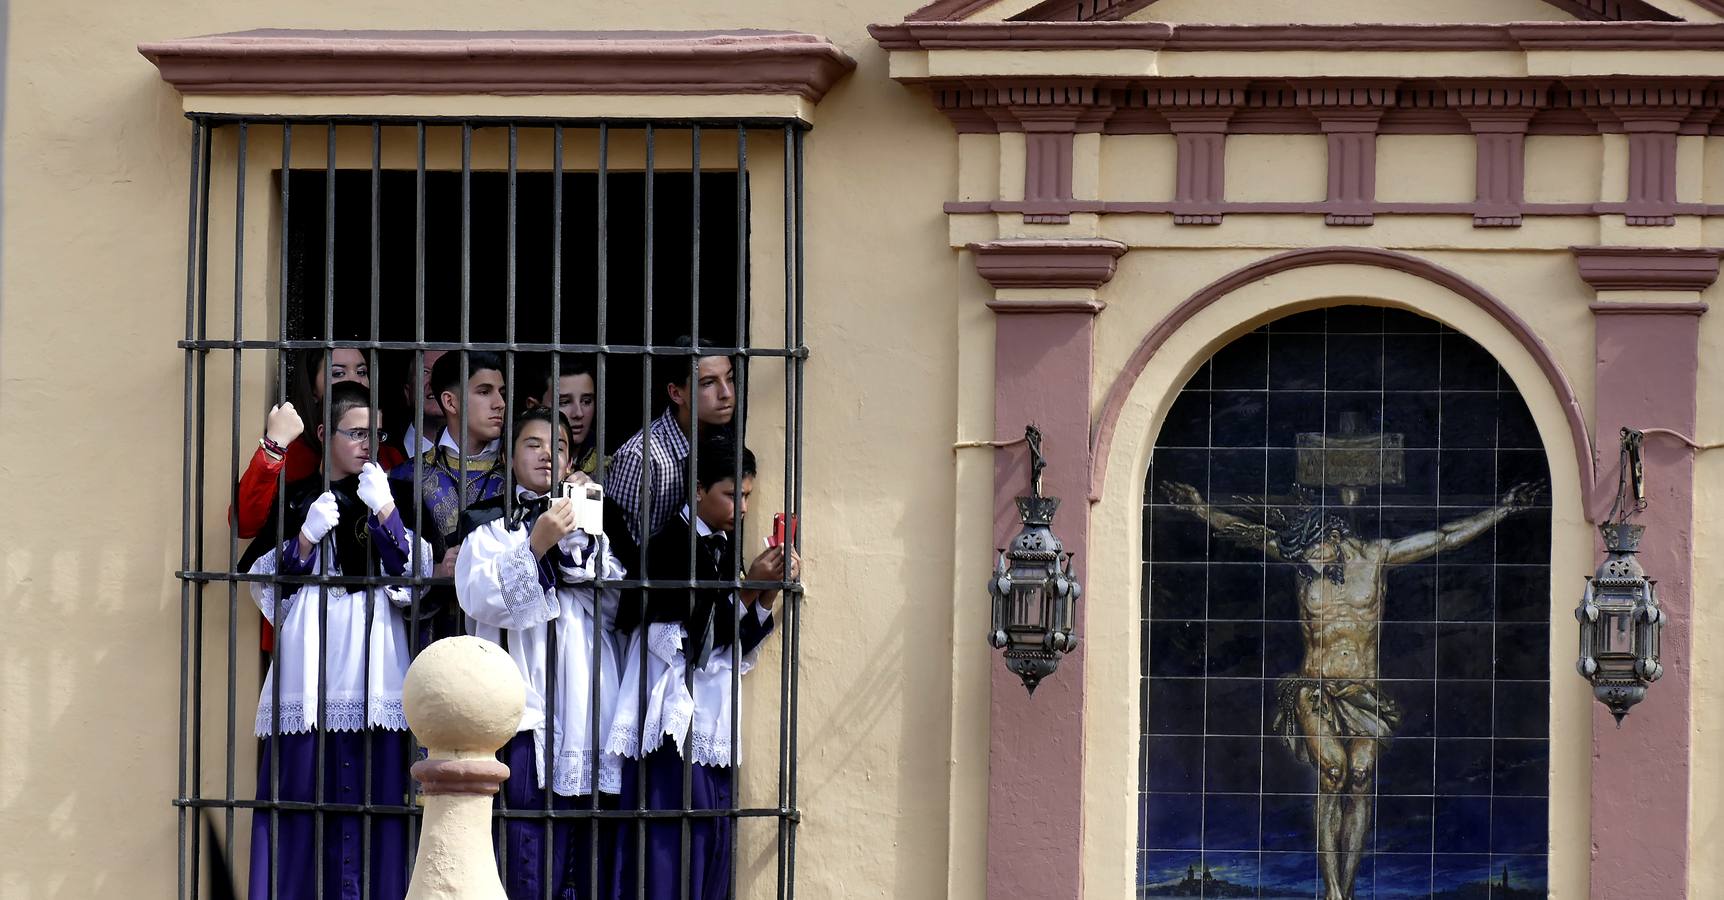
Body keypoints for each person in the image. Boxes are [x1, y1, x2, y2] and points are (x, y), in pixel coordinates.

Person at [1158, 480, 1540, 900]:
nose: (1311, 562)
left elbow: (1444, 539)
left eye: (1318, 552)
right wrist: (1199, 509)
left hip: (1364, 693)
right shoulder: (1304, 557)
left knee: (1359, 777)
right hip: (1313, 689)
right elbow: (1246, 532)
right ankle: (1332, 891)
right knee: (1334, 770)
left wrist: (1501, 510)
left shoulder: (1377, 556)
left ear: (1334, 536)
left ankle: (1349, 887)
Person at [245, 381, 434, 900]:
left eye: (376, 433)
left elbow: (417, 589)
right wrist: (304, 538)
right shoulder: (299, 499)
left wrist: (387, 515)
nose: (367, 443)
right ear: (326, 432)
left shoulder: (396, 495)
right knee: (302, 801)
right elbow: (269, 593)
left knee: (379, 805)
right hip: (312, 667)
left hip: (377, 667)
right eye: (355, 432)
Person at [605, 433, 798, 900]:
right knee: (671, 845)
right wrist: (750, 587)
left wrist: (767, 593)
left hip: (711, 717)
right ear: (697, 489)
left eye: (748, 495)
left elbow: (731, 642)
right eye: (731, 494)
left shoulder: (726, 546)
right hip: (671, 718)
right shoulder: (669, 545)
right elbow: (690, 644)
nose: (743, 507)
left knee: (711, 838)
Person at [455, 407, 625, 899]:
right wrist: (536, 543)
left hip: (588, 693)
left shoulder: (594, 526)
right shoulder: (487, 526)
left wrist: (580, 544)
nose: (549, 454)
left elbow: (616, 604)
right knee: (526, 838)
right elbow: (479, 597)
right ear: (509, 456)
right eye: (534, 444)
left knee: (585, 843)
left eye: (562, 446)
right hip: (522, 702)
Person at [234, 347, 405, 541]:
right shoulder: (294, 455)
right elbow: (244, 526)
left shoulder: (389, 456)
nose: (354, 380)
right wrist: (274, 446)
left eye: (361, 372)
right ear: (313, 389)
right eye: (338, 373)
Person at [605, 337, 735, 544]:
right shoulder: (641, 456)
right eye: (708, 383)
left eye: (729, 378)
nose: (726, 393)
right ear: (676, 393)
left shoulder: (726, 441)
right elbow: (619, 548)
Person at [532, 353, 602, 477]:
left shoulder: (608, 463)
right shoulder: (515, 460)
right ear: (534, 406)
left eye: (587, 401)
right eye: (564, 402)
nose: (578, 413)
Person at [399, 348, 449, 457]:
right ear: (407, 393)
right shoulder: (380, 453)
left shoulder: (487, 454)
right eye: (425, 372)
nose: (434, 381)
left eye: (445, 371)